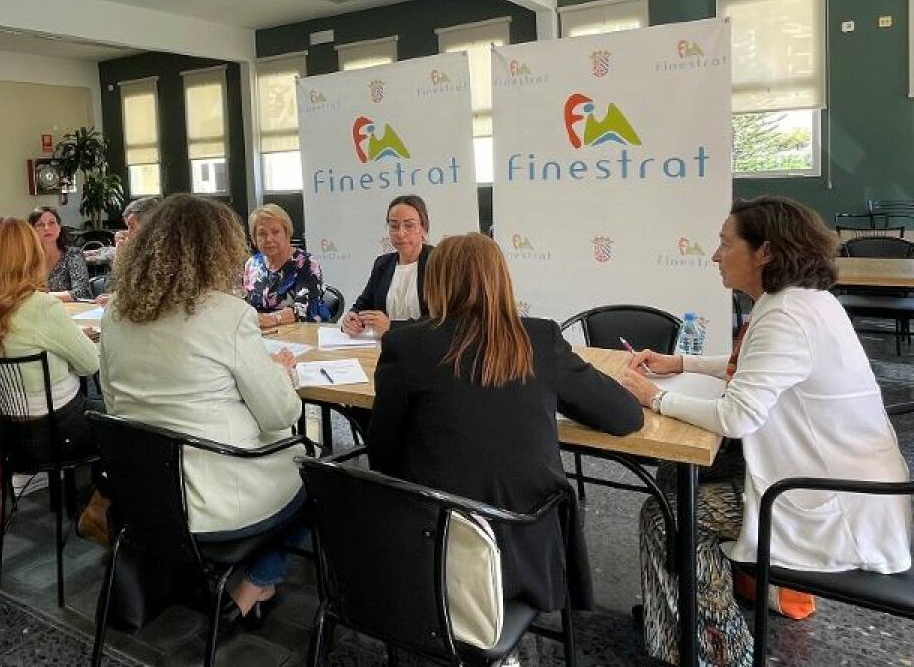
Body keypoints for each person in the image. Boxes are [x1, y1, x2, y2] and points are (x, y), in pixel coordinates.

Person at [621, 197, 912, 666]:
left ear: (766, 253)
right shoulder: (801, 302)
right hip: (843, 478)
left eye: (725, 243)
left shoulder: (785, 316)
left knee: (668, 518)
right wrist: (681, 363)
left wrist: (653, 397)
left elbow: (737, 417)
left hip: (829, 498)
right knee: (680, 472)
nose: (715, 255)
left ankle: (722, 652)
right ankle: (681, 616)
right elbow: (756, 368)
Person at [369, 233, 643, 615]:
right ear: (500, 278)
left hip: (434, 543)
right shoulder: (538, 338)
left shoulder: (407, 345)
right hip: (527, 544)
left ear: (436, 281)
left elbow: (382, 454)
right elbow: (624, 416)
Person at [101, 193, 304, 622]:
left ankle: (235, 582)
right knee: (317, 472)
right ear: (219, 249)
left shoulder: (117, 313)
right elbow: (280, 416)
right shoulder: (227, 315)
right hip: (219, 498)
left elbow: (113, 402)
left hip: (148, 500)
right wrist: (284, 373)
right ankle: (256, 585)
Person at [0, 217, 108, 537]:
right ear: (29, 255)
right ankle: (101, 507)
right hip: (59, 430)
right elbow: (91, 364)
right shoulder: (41, 308)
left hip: (7, 433)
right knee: (122, 423)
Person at [343, 195, 433, 337]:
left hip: (427, 348)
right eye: (394, 226)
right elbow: (363, 304)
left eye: (409, 225)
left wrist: (392, 327)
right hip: (386, 349)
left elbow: (442, 319)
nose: (400, 233)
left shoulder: (440, 263)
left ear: (424, 228)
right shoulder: (382, 264)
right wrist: (351, 318)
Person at [243, 203, 330, 327]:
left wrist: (273, 319)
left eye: (275, 232)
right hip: (258, 333)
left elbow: (306, 308)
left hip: (300, 332)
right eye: (262, 233)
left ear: (287, 233)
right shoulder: (252, 264)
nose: (269, 239)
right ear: (254, 239)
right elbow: (245, 304)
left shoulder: (306, 263)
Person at [29, 205, 92, 301]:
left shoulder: (73, 255)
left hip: (71, 312)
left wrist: (42, 297)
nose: (46, 228)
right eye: (40, 225)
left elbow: (81, 292)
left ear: (59, 228)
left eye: (51, 223)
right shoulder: (28, 259)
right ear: (32, 230)